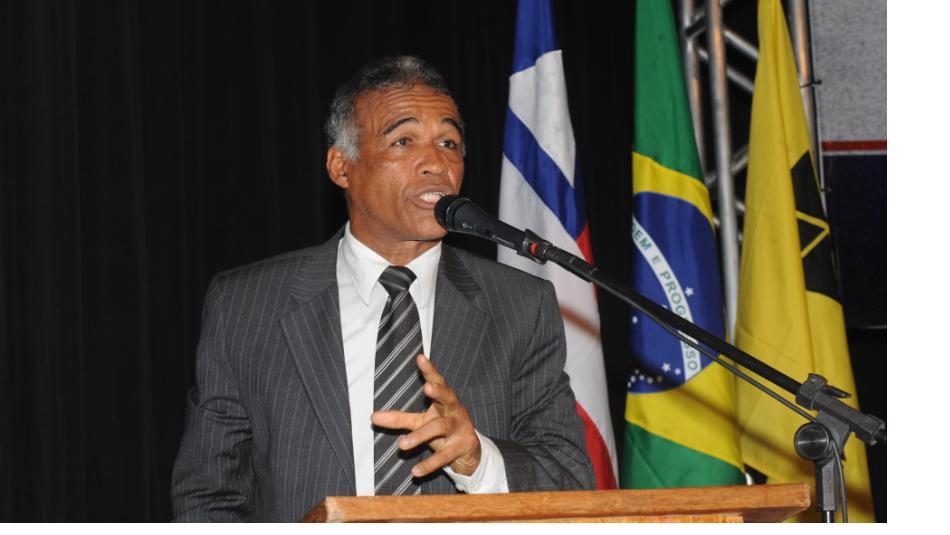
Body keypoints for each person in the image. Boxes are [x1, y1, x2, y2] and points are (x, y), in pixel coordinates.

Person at [170, 55, 594, 522]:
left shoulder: (520, 306)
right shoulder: (246, 306)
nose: (436, 163)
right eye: (403, 140)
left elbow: (570, 479)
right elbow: (207, 499)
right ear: (341, 166)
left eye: (449, 143)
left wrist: (478, 459)